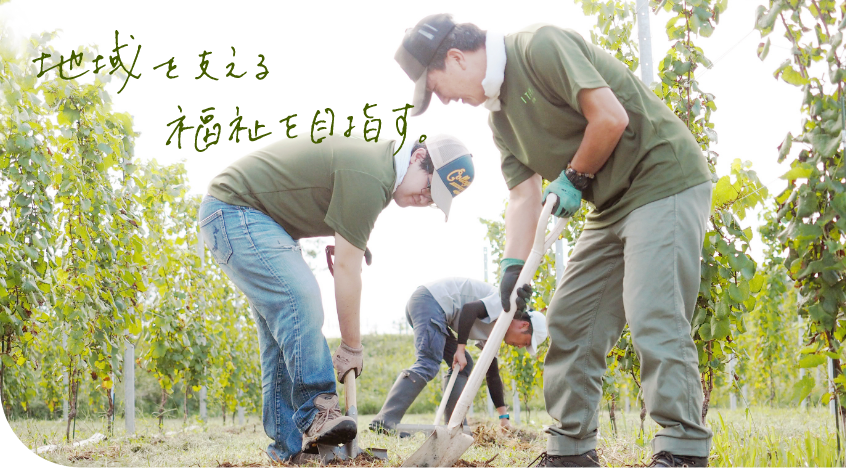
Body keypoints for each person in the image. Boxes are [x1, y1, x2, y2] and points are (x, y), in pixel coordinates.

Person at [394, 14, 714, 468]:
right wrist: (510, 271)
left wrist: (573, 176)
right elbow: (523, 198)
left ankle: (683, 449)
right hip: (611, 204)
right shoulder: (500, 121)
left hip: (661, 177)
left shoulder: (539, 48)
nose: (442, 98)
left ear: (456, 57)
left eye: (436, 85)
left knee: (653, 311)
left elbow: (610, 117)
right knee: (569, 321)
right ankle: (571, 452)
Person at [198, 133, 475, 464]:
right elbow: (347, 268)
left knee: (280, 341)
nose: (425, 198)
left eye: (434, 199)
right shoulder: (373, 172)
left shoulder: (380, 171)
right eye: (430, 187)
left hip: (257, 220)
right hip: (236, 211)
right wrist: (351, 347)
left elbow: (342, 224)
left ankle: (288, 451)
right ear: (418, 158)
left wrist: (349, 242)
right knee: (300, 299)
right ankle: (320, 410)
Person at [369, 277, 547, 435]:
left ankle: (455, 427)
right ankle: (385, 422)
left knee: (465, 364)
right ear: (524, 326)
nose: (521, 346)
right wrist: (460, 349)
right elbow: (470, 310)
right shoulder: (505, 306)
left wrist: (503, 416)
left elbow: (491, 373)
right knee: (429, 362)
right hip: (431, 301)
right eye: (526, 342)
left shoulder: (497, 331)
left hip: (433, 308)